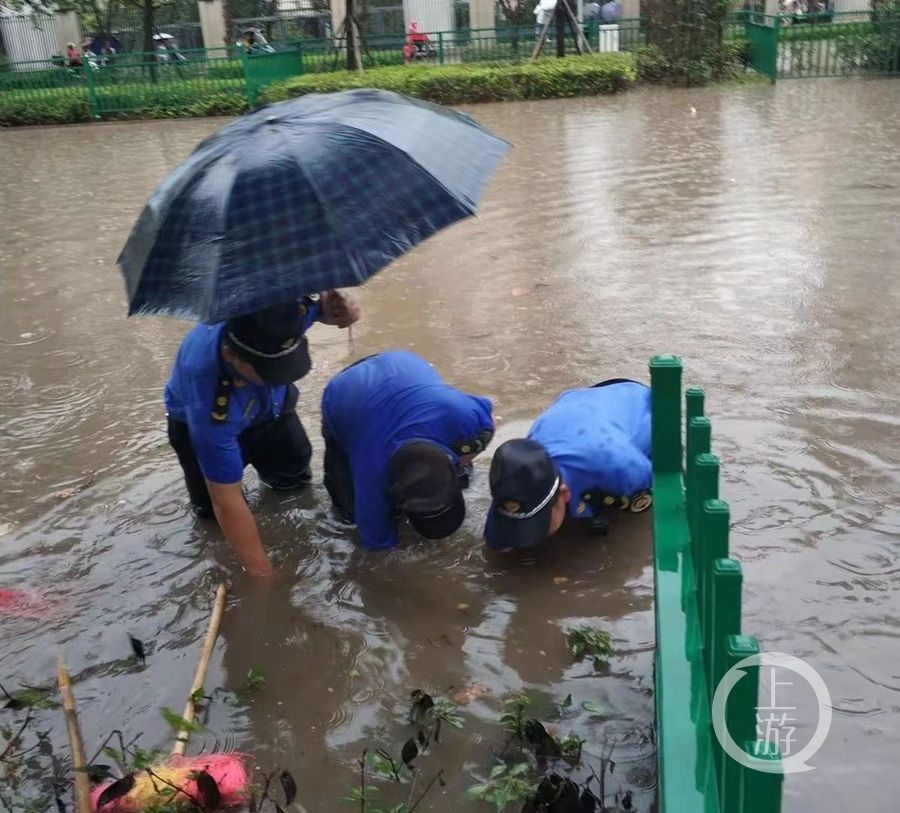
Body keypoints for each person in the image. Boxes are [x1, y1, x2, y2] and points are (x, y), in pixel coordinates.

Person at [165, 293, 359, 577]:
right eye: (269, 370)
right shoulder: (208, 399)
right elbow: (226, 500)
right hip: (205, 417)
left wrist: (341, 312)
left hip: (272, 410)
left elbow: (323, 310)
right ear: (232, 355)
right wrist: (262, 574)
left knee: (294, 482)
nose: (278, 375)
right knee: (212, 513)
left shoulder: (284, 309)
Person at [321, 350, 494, 550]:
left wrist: (465, 458)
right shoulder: (371, 477)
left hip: (400, 364)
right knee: (349, 513)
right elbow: (377, 545)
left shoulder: (461, 415)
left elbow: (487, 425)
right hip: (345, 393)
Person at [484, 379, 652, 551]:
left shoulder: (623, 469)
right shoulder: (522, 466)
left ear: (564, 493)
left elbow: (661, 487)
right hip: (578, 402)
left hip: (642, 405)